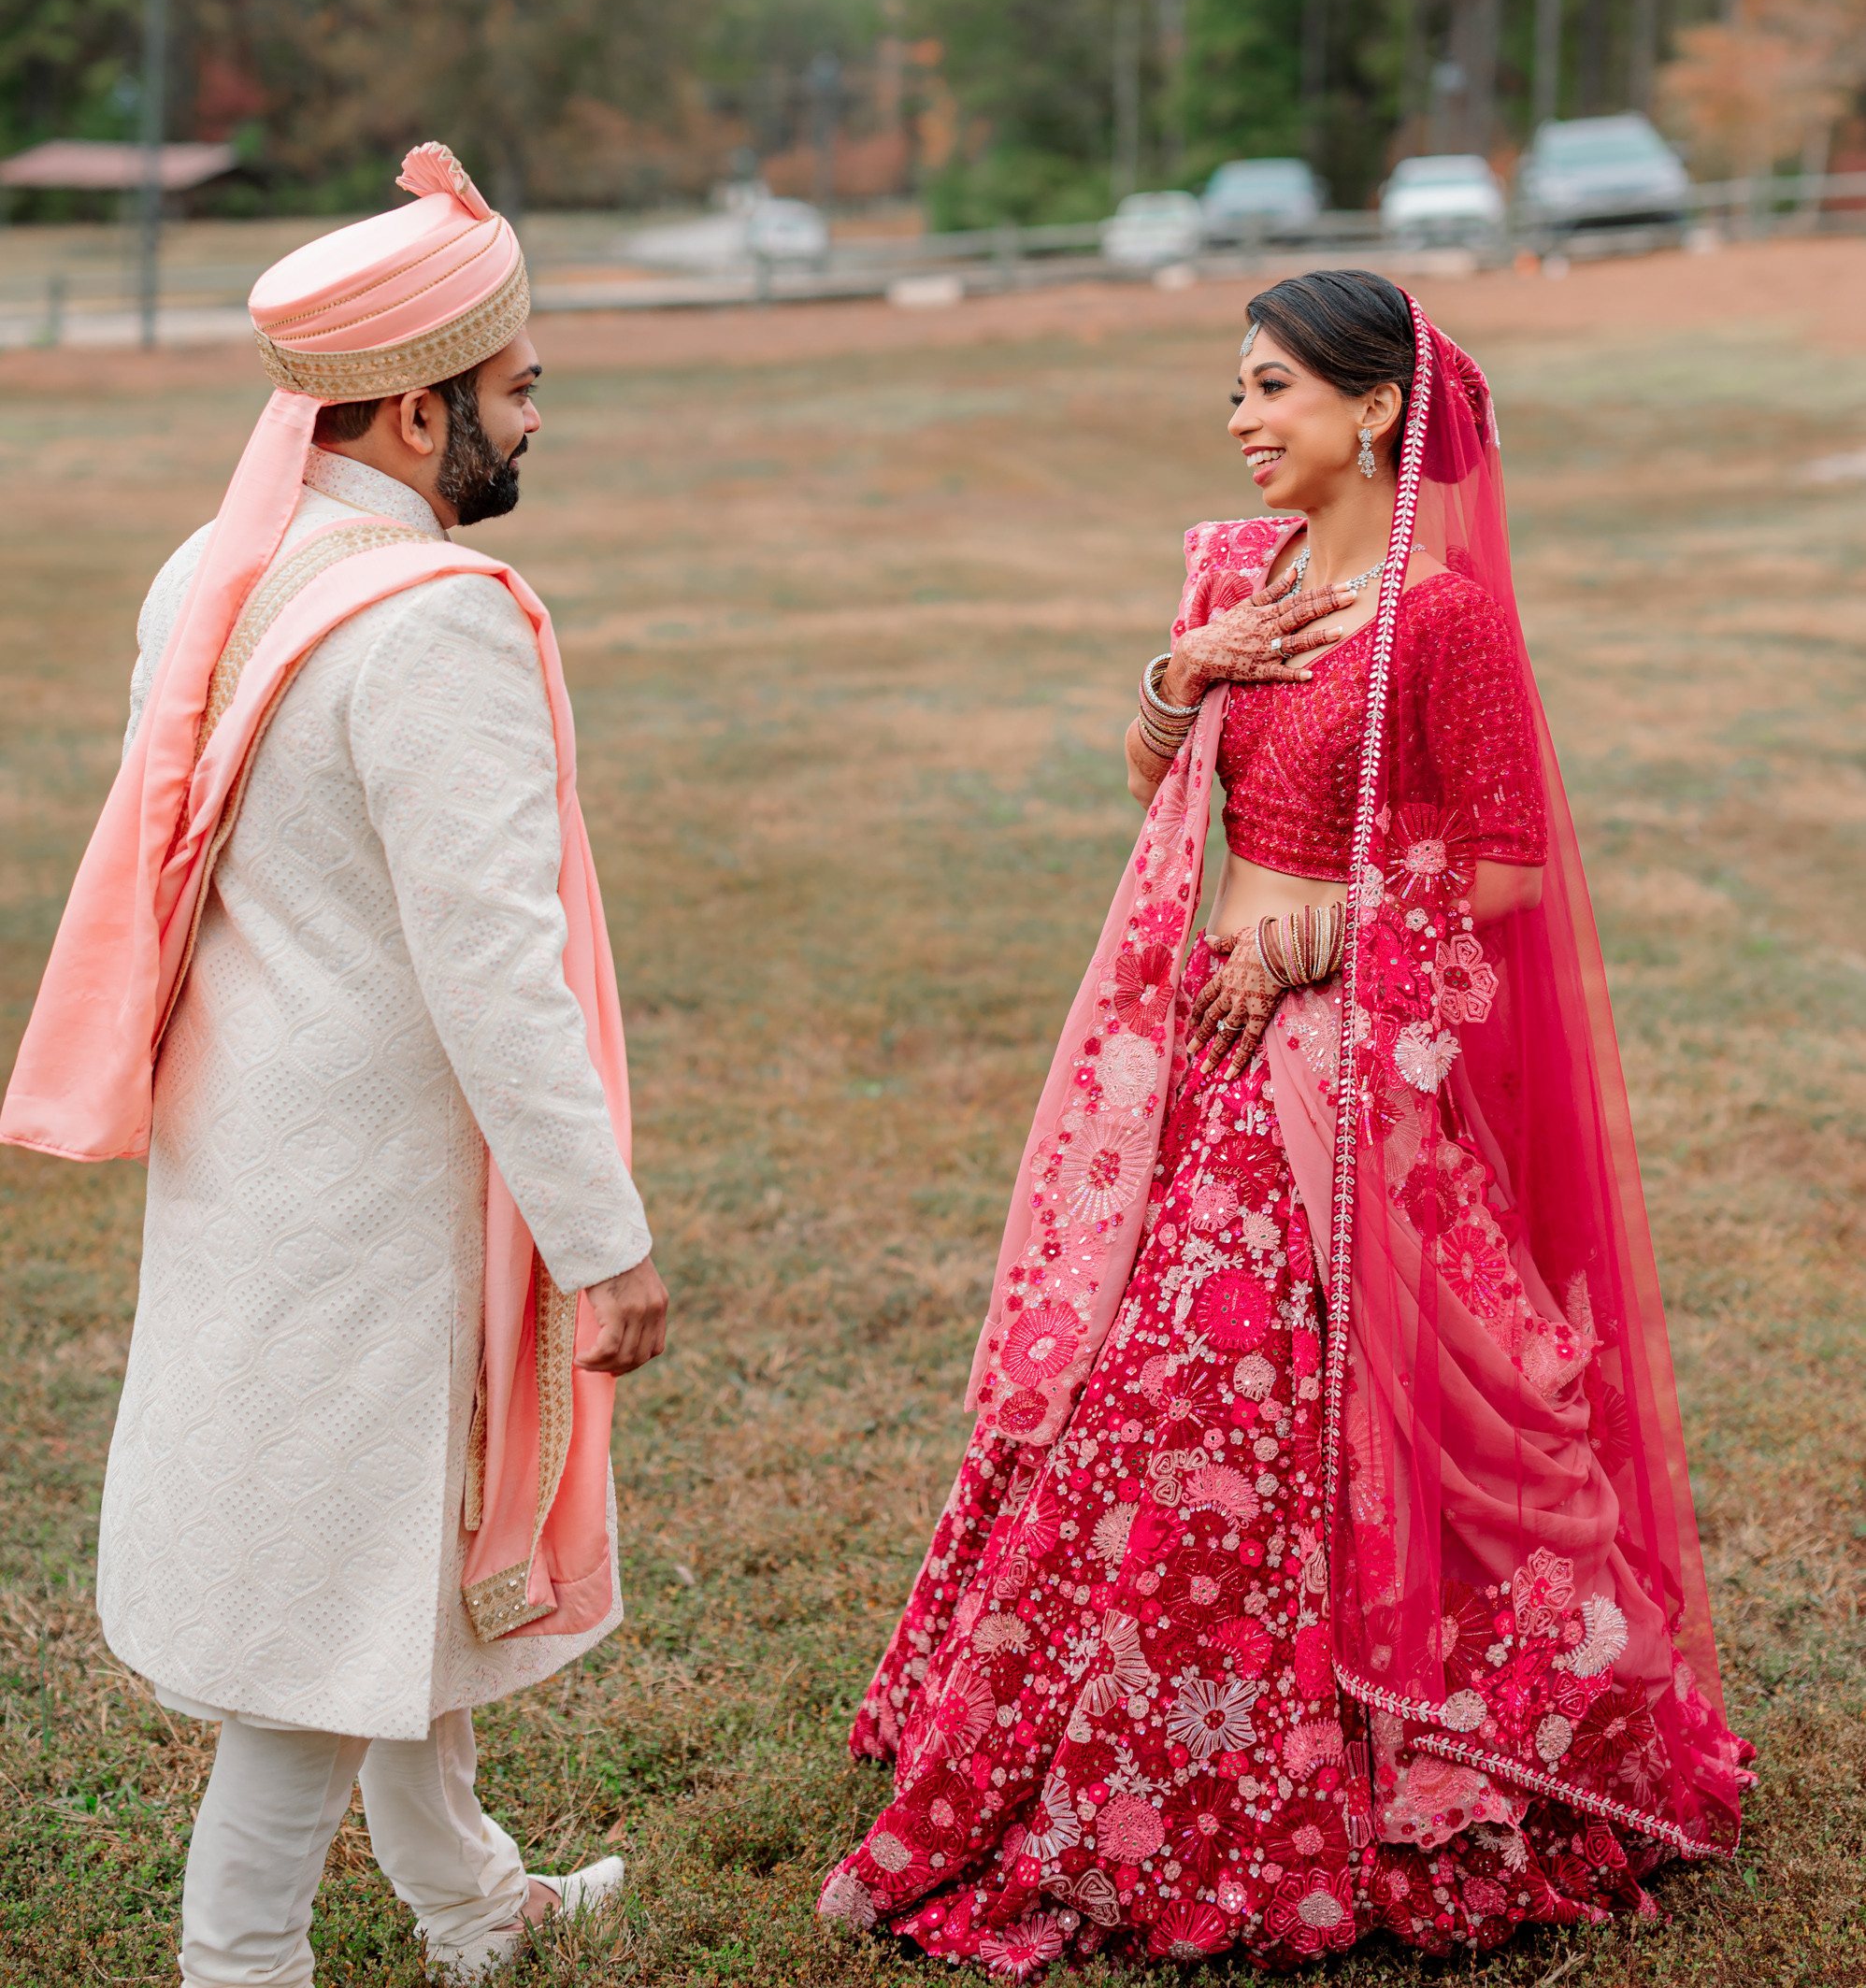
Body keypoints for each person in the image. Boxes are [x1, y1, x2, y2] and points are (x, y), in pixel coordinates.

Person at [821, 269, 1750, 1974]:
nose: (1243, 420)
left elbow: (1516, 864)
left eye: (1272, 389)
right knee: (1121, 1377)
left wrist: (1328, 930)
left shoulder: (1443, 618)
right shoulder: (1235, 577)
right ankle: (1108, 1743)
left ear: (1377, 407)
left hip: (1338, 1058)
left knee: (1218, 1388)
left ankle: (1363, 1758)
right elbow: (1164, 785)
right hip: (1195, 1045)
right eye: (1234, 392)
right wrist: (1179, 677)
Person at [1, 144, 668, 1986]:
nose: (536, 417)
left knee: (378, 1547)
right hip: (377, 1187)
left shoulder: (213, 573)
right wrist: (600, 1241)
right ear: (409, 405)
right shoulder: (430, 621)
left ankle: (471, 1904)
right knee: (320, 1610)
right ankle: (241, 1962)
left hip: (248, 1143)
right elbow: (492, 969)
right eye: (516, 388)